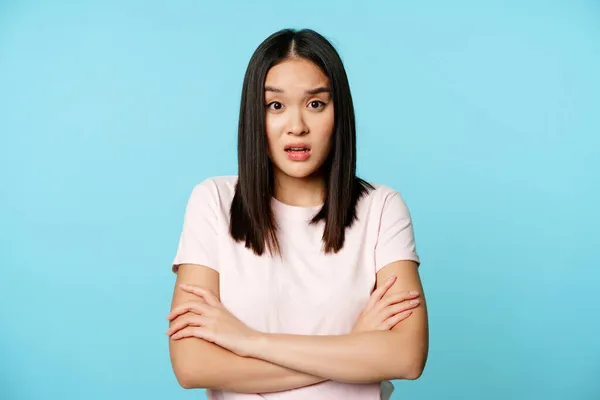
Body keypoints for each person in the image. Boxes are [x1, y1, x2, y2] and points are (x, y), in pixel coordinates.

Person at [165, 28, 429, 400]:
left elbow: (406, 357)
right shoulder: (214, 202)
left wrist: (248, 341)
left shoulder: (381, 208)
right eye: (275, 106)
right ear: (255, 116)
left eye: (316, 104)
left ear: (339, 113)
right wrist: (352, 347)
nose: (297, 126)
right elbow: (193, 366)